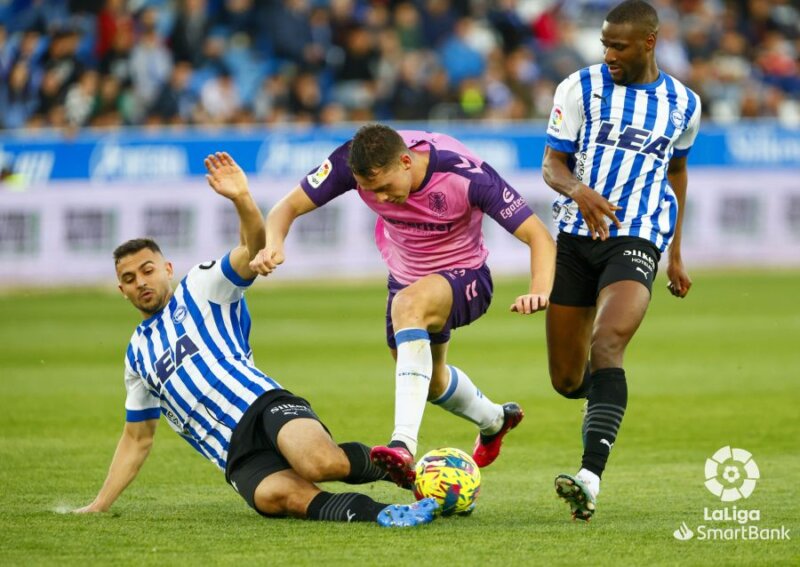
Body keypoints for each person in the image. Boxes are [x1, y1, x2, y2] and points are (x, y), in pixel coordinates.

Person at [74, 152, 438, 528]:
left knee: (318, 463)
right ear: (122, 290)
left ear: (167, 269)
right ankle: (385, 514)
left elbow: (251, 253)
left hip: (262, 406)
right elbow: (137, 439)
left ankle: (408, 473)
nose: (142, 282)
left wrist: (241, 200)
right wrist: (99, 504)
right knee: (281, 497)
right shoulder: (137, 355)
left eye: (147, 270)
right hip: (234, 453)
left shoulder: (202, 286)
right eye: (130, 279)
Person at [249, 124, 556, 487]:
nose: (378, 198)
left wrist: (539, 289)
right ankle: (495, 420)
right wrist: (274, 246)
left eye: (384, 187)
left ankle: (403, 445)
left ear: (407, 161)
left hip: (466, 276)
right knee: (431, 381)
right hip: (405, 279)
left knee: (408, 306)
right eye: (368, 190)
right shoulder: (352, 162)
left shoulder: (465, 175)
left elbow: (538, 235)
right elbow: (286, 208)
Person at [541, 0, 700, 521]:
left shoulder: (683, 103)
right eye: (604, 43)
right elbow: (552, 165)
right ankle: (603, 398)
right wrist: (579, 192)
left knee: (608, 343)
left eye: (618, 45)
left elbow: (675, 172)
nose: (607, 53)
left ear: (649, 42)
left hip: (638, 237)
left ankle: (589, 477)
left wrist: (674, 252)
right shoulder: (579, 88)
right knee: (567, 381)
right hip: (576, 236)